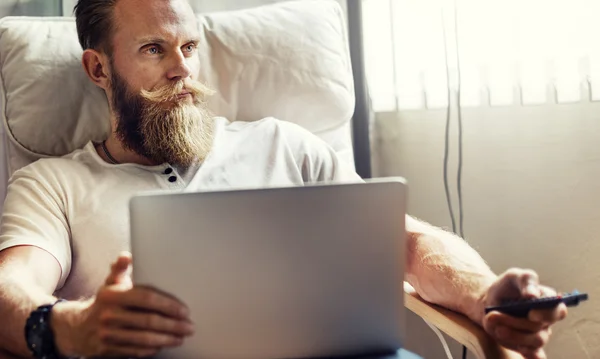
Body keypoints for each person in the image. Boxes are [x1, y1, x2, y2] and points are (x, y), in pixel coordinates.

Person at [0, 0, 566, 358]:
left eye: (189, 47)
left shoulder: (283, 144)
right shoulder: (53, 184)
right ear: (99, 68)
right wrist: (68, 327)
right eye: (154, 49)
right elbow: (11, 288)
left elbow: (409, 242)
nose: (182, 69)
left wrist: (485, 294)